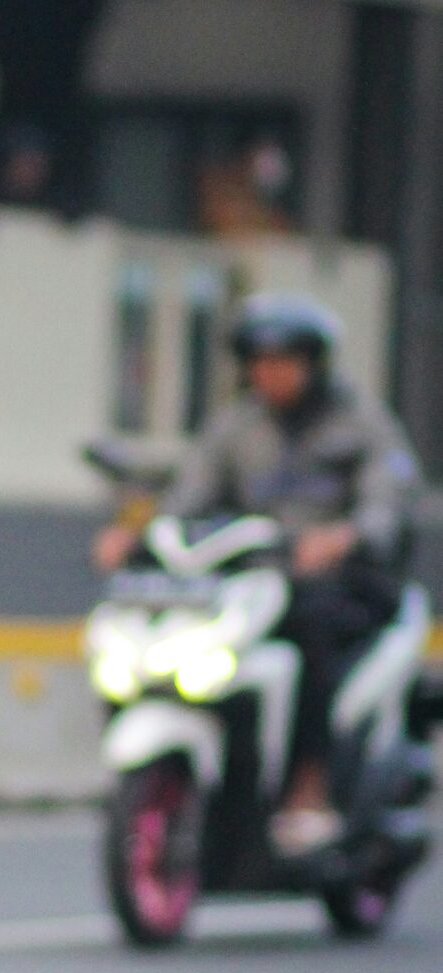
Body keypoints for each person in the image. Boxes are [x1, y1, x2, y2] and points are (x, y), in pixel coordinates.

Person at [94, 293, 419, 854]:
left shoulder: (360, 421)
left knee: (309, 626)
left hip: (342, 581)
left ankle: (308, 785)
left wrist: (348, 535)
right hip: (252, 578)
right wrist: (138, 535)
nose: (271, 373)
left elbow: (388, 498)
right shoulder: (235, 426)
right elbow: (188, 499)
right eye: (260, 361)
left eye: (285, 360)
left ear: (313, 365)